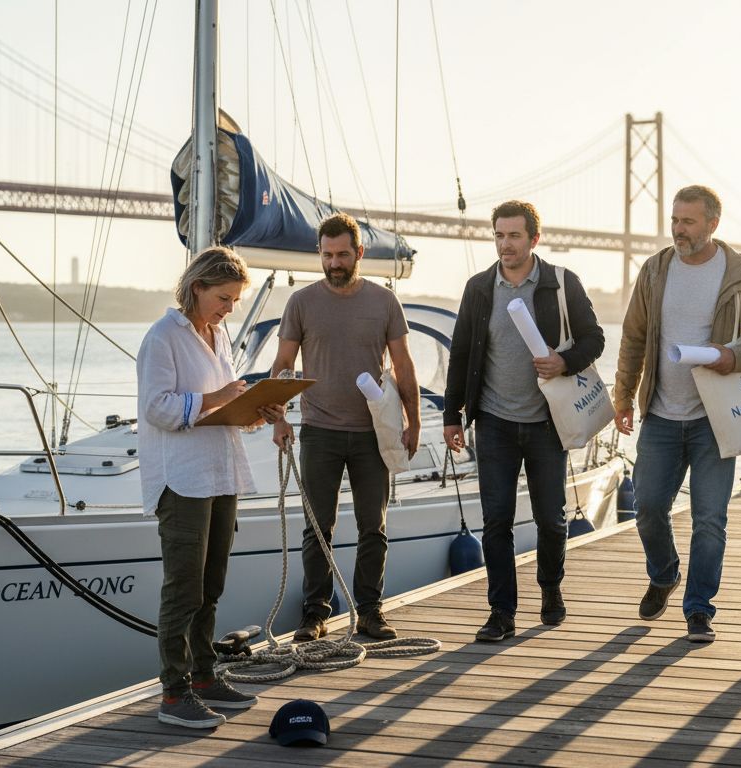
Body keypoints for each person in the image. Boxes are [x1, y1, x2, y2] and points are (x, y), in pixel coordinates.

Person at [613, 185, 741, 643]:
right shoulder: (655, 269)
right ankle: (664, 573)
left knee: (710, 517)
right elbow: (632, 337)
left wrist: (731, 355)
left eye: (688, 221)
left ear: (712, 223)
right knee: (647, 508)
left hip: (716, 418)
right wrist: (623, 395)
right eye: (674, 220)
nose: (678, 230)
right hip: (662, 415)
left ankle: (699, 609)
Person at [442, 200, 605, 642]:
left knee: (551, 520)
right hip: (493, 422)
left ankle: (550, 589)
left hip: (546, 422)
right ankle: (502, 613)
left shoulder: (559, 283)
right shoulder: (479, 288)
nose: (505, 244)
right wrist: (452, 415)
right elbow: (461, 354)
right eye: (499, 234)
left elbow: (595, 338)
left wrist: (563, 361)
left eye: (514, 235)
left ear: (534, 239)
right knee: (496, 520)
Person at [137, 247, 278, 729]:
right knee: (184, 590)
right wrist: (221, 397)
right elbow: (157, 408)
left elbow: (218, 409)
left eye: (236, 300)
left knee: (211, 586)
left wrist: (255, 410)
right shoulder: (162, 338)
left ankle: (203, 676)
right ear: (197, 287)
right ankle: (173, 695)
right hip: (182, 480)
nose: (229, 309)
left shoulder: (216, 335)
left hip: (220, 474)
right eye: (224, 298)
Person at [268, 212, 420, 643]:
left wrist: (411, 420)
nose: (334, 263)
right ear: (319, 254)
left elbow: (404, 365)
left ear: (359, 253)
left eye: (342, 255)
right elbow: (283, 366)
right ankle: (315, 614)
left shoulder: (384, 302)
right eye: (327, 255)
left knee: (374, 526)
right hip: (319, 431)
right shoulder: (301, 303)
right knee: (318, 527)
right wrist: (278, 418)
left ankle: (370, 611)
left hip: (374, 431)